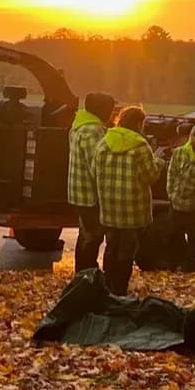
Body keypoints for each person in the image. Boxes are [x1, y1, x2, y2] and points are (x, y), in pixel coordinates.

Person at [96, 105, 157, 296]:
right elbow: (150, 177)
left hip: (109, 207)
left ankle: (107, 286)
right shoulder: (141, 146)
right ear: (139, 123)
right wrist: (159, 164)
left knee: (111, 246)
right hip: (133, 209)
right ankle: (120, 290)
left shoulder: (104, 142)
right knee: (127, 251)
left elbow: (93, 170)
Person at [67, 91, 117, 275]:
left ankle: (82, 274)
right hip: (89, 194)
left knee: (86, 234)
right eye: (110, 110)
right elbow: (97, 165)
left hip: (78, 191)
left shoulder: (79, 126)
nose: (112, 114)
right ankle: (87, 275)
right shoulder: (92, 131)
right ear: (102, 110)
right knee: (93, 236)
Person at [165, 123, 195, 273]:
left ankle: (190, 267)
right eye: (194, 135)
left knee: (194, 238)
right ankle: (174, 263)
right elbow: (171, 174)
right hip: (177, 202)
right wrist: (172, 194)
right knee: (173, 235)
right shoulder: (179, 152)